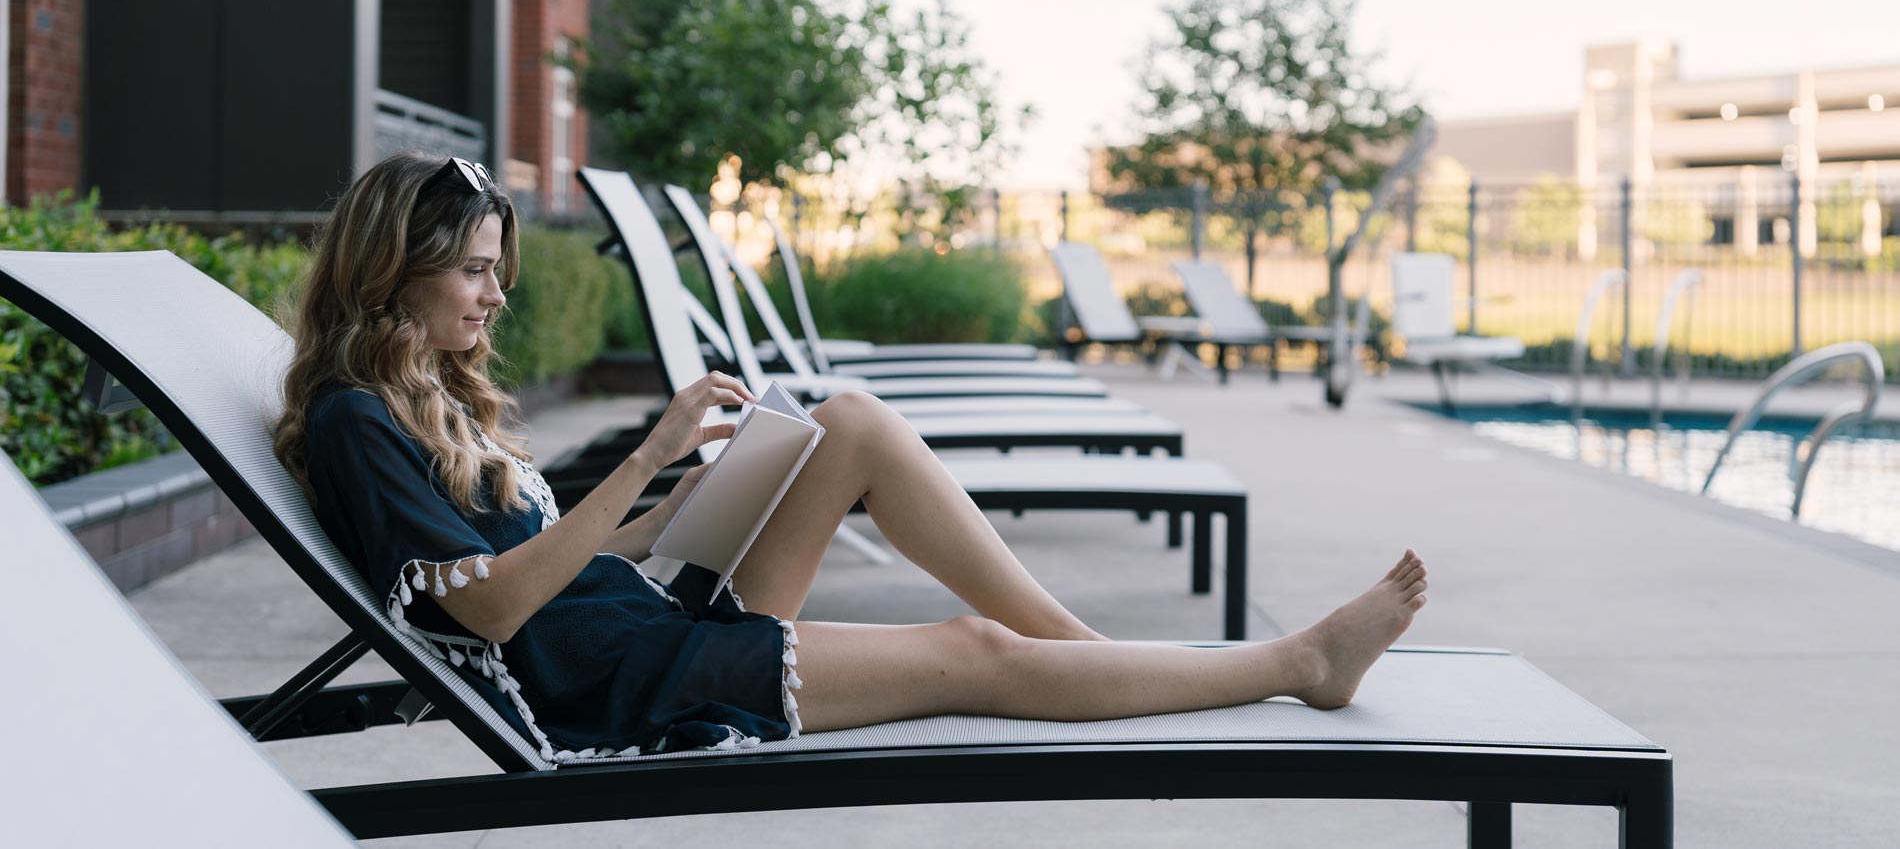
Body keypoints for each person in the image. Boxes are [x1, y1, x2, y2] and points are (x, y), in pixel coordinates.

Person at [273, 153, 1428, 761]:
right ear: (394, 269)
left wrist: (679, 499)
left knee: (855, 419)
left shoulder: (421, 398)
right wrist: (644, 460)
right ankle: (1295, 662)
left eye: (494, 265)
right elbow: (487, 616)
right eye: (472, 268)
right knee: (974, 652)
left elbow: (537, 559)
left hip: (624, 620)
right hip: (609, 688)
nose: (496, 290)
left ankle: (1096, 664)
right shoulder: (353, 421)